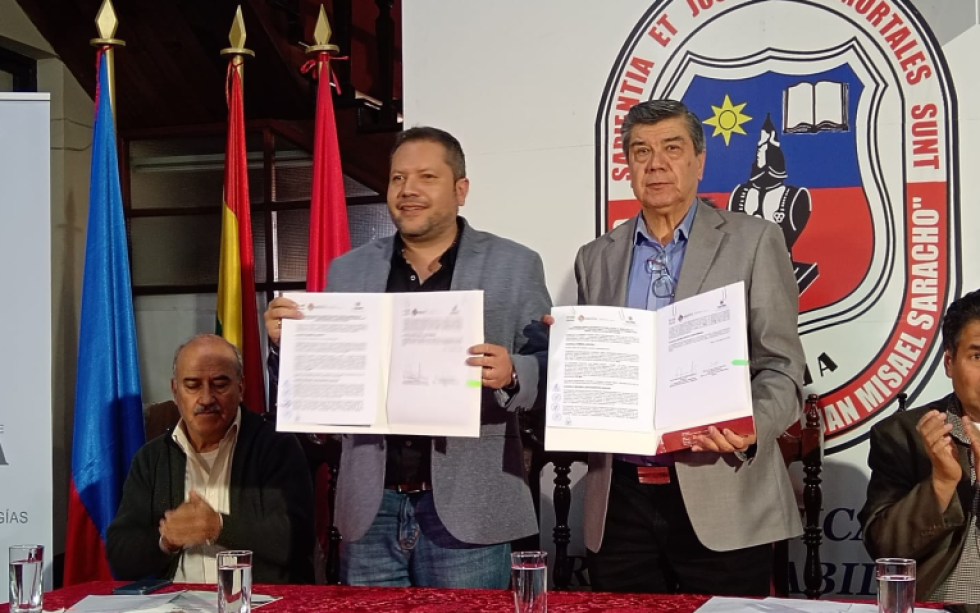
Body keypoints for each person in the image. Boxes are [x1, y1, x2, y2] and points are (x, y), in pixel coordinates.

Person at [264, 126, 551, 588]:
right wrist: (288, 345)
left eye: (426, 177)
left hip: (470, 508)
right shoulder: (348, 270)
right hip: (371, 506)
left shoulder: (515, 264)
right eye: (398, 178)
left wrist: (515, 372)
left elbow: (551, 364)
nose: (408, 189)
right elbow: (318, 385)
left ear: (461, 190)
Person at [574, 99, 805, 594]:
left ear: (699, 161)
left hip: (722, 489)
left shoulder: (754, 241)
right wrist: (571, 358)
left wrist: (751, 428)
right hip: (621, 501)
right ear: (628, 166)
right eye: (641, 151)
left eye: (672, 148)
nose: (656, 164)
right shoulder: (596, 257)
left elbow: (783, 366)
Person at [106, 334, 315, 583]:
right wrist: (166, 540)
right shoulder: (152, 458)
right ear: (175, 391)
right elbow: (120, 556)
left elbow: (297, 540)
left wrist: (218, 527)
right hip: (175, 600)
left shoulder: (276, 447)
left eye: (219, 384)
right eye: (192, 385)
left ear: (241, 388)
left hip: (258, 599)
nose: (206, 398)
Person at [860, 289, 980, 602]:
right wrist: (941, 483)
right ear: (949, 362)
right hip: (937, 605)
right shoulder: (903, 435)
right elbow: (886, 551)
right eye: (978, 357)